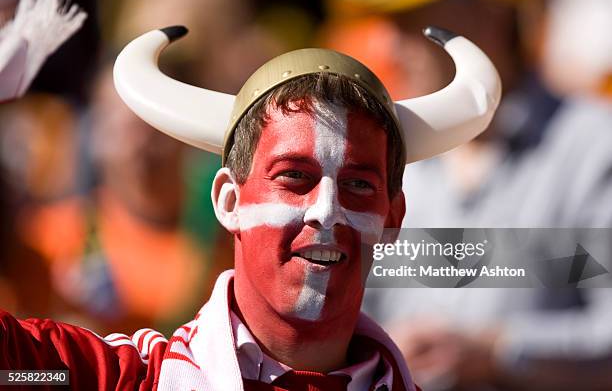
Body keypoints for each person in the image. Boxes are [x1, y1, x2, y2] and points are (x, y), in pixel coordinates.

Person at [0, 24, 501, 390]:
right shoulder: (114, 379)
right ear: (229, 200)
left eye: (358, 185)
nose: (326, 211)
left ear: (393, 219)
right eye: (295, 177)